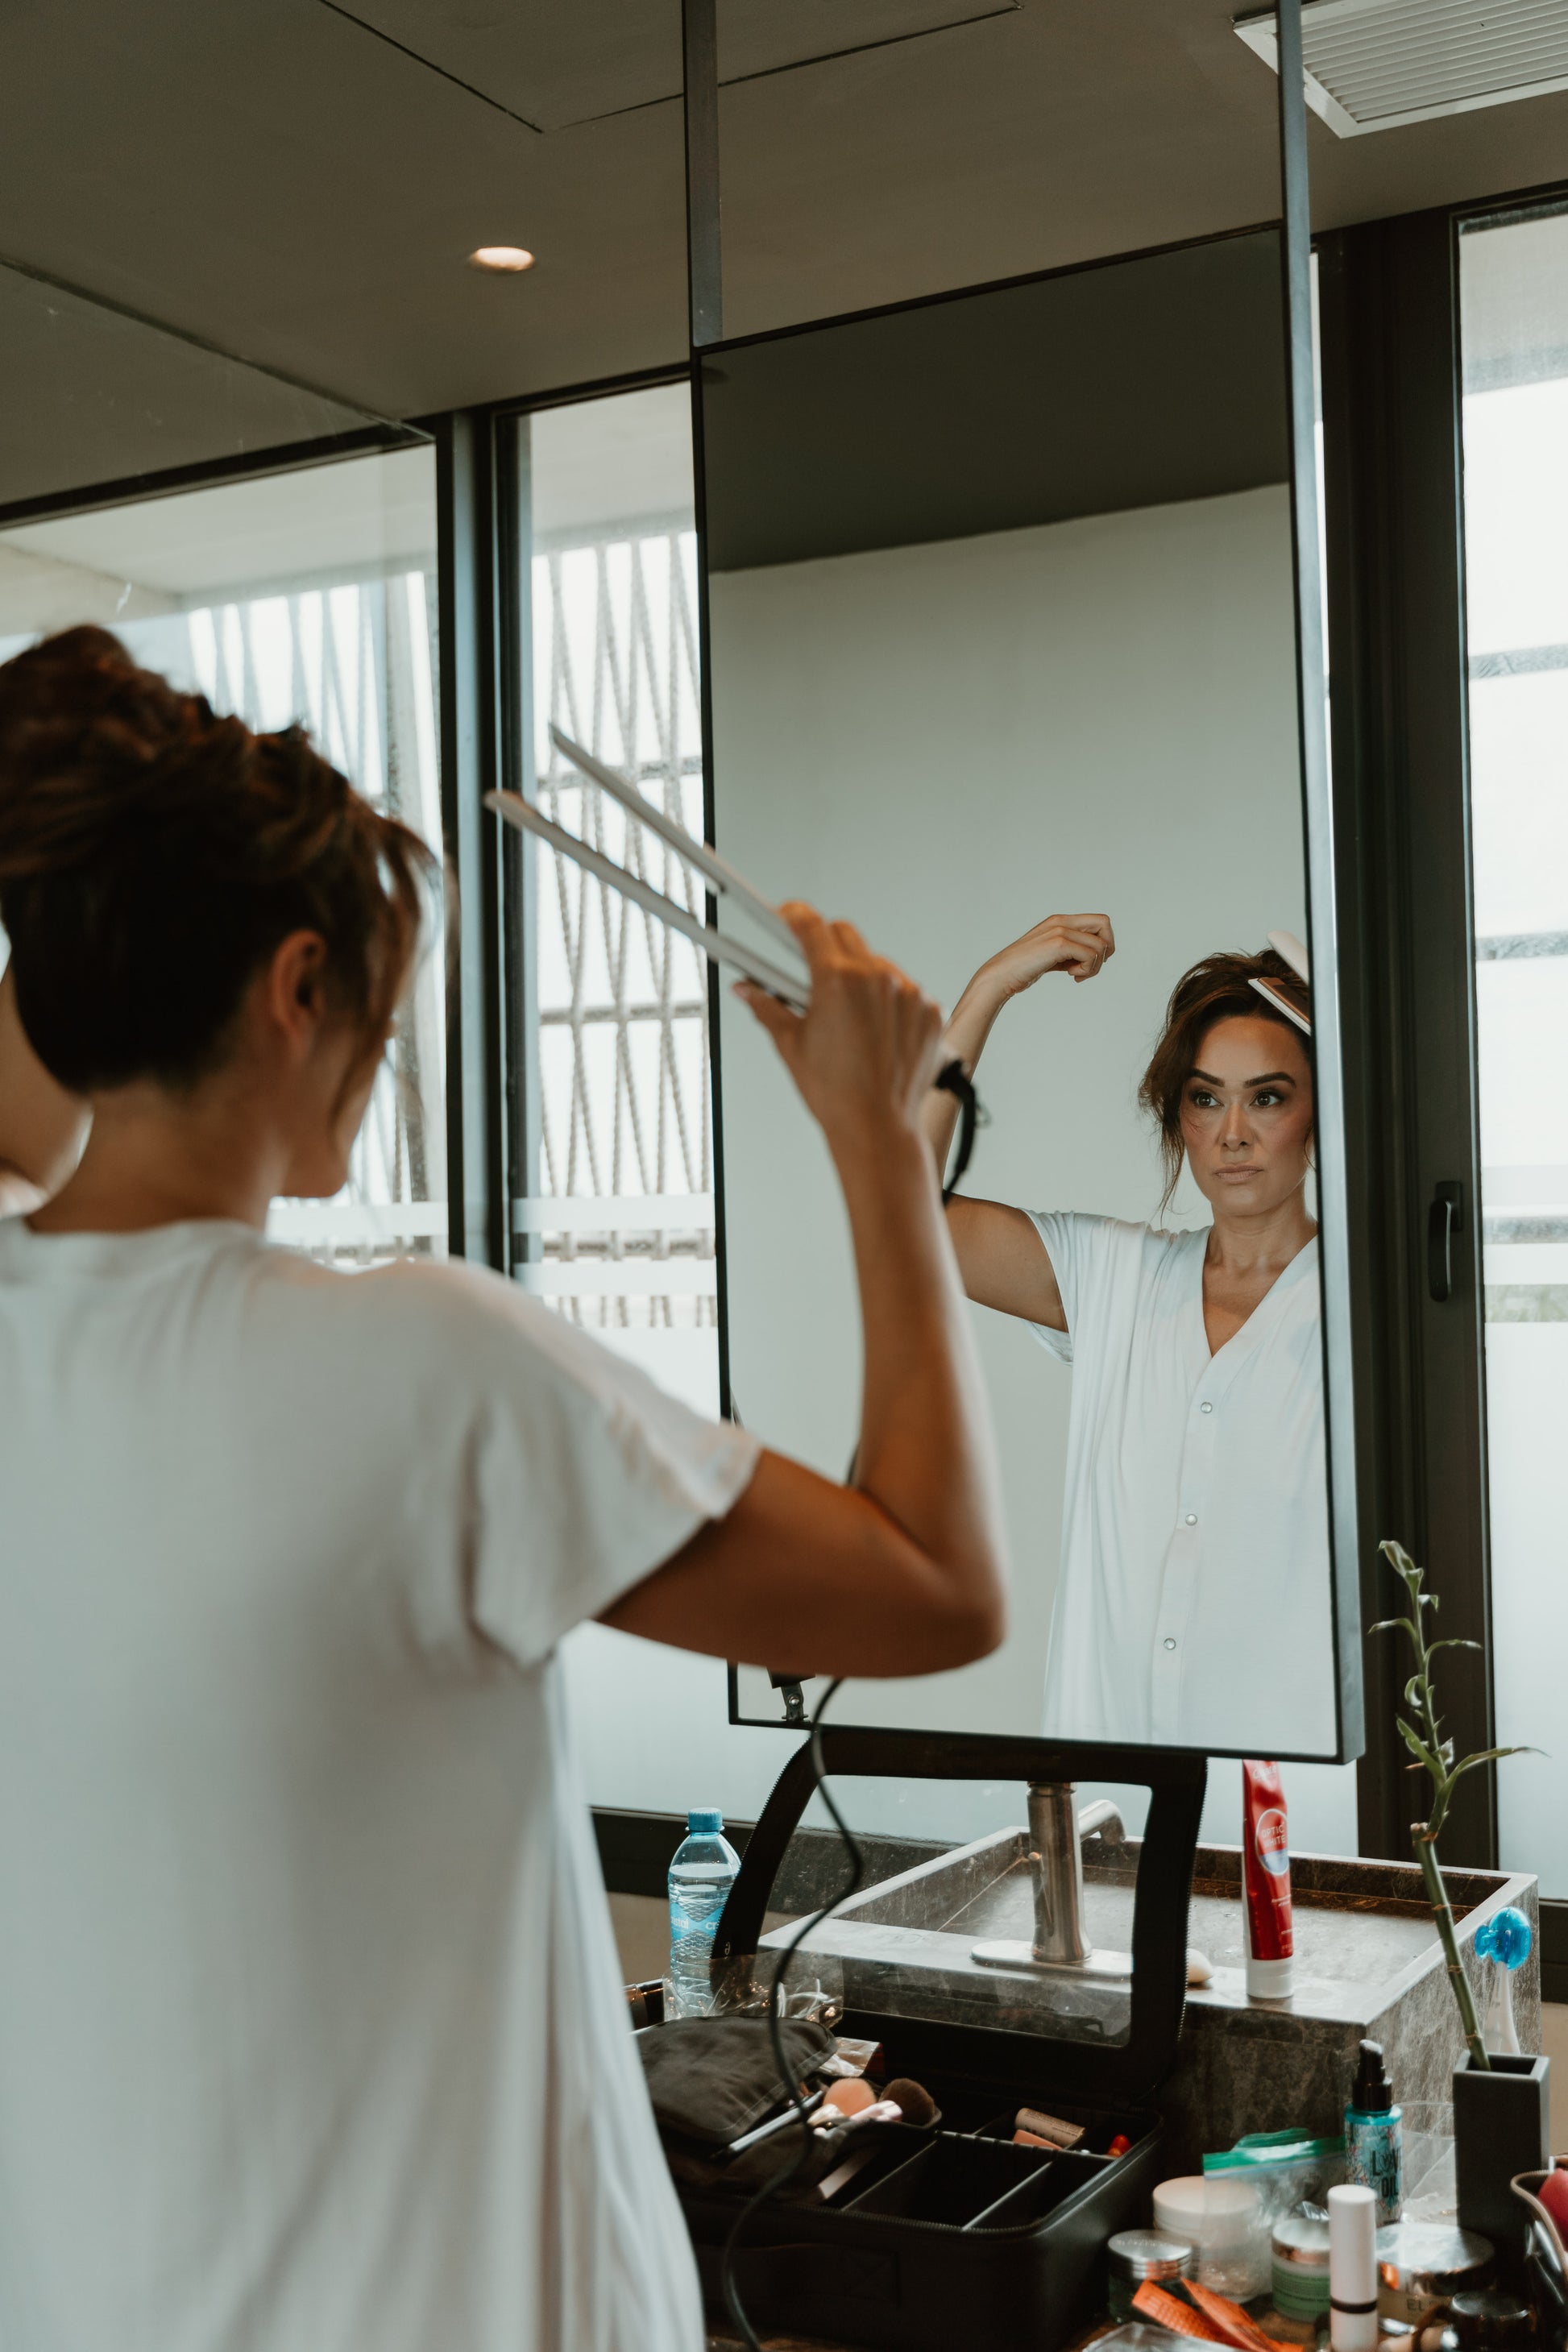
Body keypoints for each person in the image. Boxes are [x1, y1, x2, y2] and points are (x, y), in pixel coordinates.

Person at [0, 628, 1006, 2352]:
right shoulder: (421, 1363)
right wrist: (882, 1150)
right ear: (296, 988)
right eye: (382, 1008)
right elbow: (932, 1582)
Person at [923, 911, 1333, 1752]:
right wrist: (991, 985)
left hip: (1289, 1823)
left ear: (1318, 1113)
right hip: (1104, 1813)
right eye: (1203, 1098)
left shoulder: (1365, 1314)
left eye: (1267, 1097)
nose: (1232, 1134)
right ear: (1174, 1117)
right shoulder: (1111, 1276)